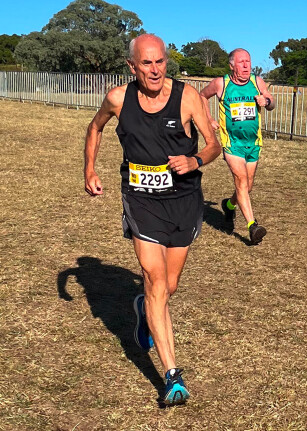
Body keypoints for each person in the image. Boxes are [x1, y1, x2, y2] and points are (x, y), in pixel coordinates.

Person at [84, 34, 221, 406]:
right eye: (147, 63)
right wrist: (89, 169)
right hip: (141, 200)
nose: (156, 69)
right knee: (156, 281)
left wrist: (195, 160)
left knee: (168, 286)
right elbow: (94, 127)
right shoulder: (118, 98)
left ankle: (143, 309)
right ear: (132, 66)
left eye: (160, 61)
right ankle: (173, 376)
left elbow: (214, 145)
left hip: (183, 201)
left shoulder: (188, 97)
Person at [199, 48, 276, 245]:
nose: (246, 65)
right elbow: (202, 96)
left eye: (248, 61)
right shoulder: (221, 83)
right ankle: (252, 226)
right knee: (241, 181)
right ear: (232, 65)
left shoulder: (257, 82)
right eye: (241, 62)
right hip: (232, 143)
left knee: (247, 186)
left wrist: (266, 100)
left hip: (253, 142)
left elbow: (271, 102)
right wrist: (208, 119)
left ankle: (229, 205)